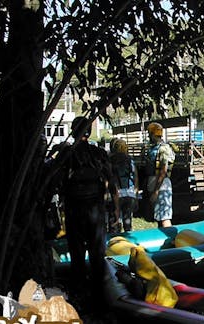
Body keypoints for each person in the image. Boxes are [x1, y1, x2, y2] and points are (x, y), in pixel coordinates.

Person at [57, 116, 119, 303]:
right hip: (95, 210)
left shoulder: (65, 154)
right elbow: (111, 181)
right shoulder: (98, 153)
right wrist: (115, 208)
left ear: (72, 131)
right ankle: (99, 295)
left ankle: (79, 293)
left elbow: (58, 183)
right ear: (88, 132)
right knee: (97, 252)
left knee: (76, 253)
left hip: (74, 209)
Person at [142, 122, 175, 227]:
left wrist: (156, 191)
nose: (148, 136)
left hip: (161, 185)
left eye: (149, 134)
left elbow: (163, 171)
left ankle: (171, 239)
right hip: (156, 183)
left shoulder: (163, 148)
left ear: (152, 134)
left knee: (164, 217)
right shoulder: (154, 148)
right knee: (159, 217)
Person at [109, 139, 139, 232]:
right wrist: (136, 192)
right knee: (127, 221)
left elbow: (109, 176)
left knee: (114, 221)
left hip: (115, 192)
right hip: (129, 192)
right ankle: (128, 240)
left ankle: (114, 240)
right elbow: (135, 176)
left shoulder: (110, 159)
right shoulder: (129, 159)